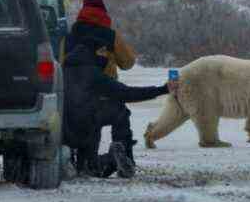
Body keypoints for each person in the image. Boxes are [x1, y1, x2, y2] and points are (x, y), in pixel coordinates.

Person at [63, 42, 178, 178]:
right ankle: (117, 154)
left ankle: (68, 160)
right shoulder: (93, 74)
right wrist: (163, 89)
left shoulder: (60, 70)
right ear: (93, 53)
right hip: (87, 129)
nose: (106, 56)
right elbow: (126, 93)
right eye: (102, 52)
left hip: (62, 131)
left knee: (83, 166)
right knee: (119, 111)